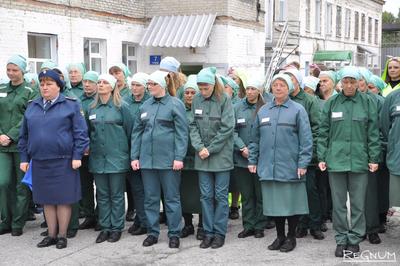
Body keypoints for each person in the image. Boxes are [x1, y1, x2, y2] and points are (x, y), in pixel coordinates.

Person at [18, 69, 89, 249]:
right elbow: (24, 136)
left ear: (59, 86)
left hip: (64, 160)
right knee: (46, 199)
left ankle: (62, 236)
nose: (44, 87)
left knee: (63, 199)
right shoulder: (32, 106)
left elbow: (81, 134)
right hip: (40, 160)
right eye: (42, 84)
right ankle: (51, 235)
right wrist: (24, 158)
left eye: (49, 84)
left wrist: (77, 155)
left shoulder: (70, 105)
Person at [318, 66, 381, 257]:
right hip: (335, 160)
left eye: (353, 81)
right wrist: (321, 156)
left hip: (359, 159)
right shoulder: (332, 103)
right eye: (345, 81)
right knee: (338, 204)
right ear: (340, 82)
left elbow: (373, 132)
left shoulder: (368, 102)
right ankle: (341, 239)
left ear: (358, 82)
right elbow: (323, 132)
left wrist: (374, 157)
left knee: (357, 203)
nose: (349, 85)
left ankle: (354, 240)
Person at [249, 73, 312, 253]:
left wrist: (303, 163)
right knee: (274, 204)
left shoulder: (298, 110)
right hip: (269, 166)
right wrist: (253, 160)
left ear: (289, 88)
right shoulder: (263, 111)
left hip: (290, 166)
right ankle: (280, 236)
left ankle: (291, 237)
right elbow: (254, 139)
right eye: (275, 85)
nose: (278, 88)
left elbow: (306, 139)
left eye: (282, 85)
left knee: (291, 203)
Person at [131, 70, 188, 249]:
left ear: (161, 85)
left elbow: (182, 133)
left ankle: (174, 233)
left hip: (169, 161)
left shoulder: (175, 104)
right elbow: (137, 132)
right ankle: (152, 232)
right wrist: (135, 156)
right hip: (147, 161)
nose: (149, 87)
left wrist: (179, 157)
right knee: (150, 198)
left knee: (172, 198)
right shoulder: (144, 106)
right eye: (148, 84)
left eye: (152, 84)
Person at [189, 67, 235, 249]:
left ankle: (219, 233)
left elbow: (227, 128)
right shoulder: (197, 100)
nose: (202, 90)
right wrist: (200, 147)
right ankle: (207, 232)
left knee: (221, 196)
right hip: (202, 157)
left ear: (213, 85)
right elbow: (192, 125)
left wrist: (211, 148)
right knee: (206, 196)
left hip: (221, 157)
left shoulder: (224, 99)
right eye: (200, 87)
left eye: (205, 87)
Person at [88, 74, 133, 244]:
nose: (100, 85)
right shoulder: (93, 108)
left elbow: (130, 131)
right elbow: (89, 132)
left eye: (105, 82)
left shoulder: (122, 107)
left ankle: (116, 227)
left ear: (113, 86)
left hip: (117, 158)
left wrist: (127, 154)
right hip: (98, 158)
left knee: (117, 194)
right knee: (102, 194)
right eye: (99, 82)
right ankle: (105, 226)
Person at [283, 68, 324, 240]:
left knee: (310, 190)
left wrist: (309, 154)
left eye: (291, 78)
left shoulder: (309, 100)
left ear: (298, 81)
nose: (289, 81)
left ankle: (315, 224)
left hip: (307, 155)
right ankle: (300, 223)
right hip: (288, 156)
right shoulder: (283, 100)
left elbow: (316, 128)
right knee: (295, 191)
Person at [0, 55, 38, 236]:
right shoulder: (1, 88)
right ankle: (5, 220)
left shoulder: (31, 91)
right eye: (8, 69)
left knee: (21, 186)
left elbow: (29, 116)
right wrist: (1, 135)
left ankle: (17, 223)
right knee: (3, 183)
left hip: (21, 144)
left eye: (15, 70)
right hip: (2, 145)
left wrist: (11, 135)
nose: (11, 73)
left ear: (23, 71)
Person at [233, 78, 267, 239]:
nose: (250, 91)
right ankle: (248, 225)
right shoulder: (236, 107)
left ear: (259, 90)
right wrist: (241, 147)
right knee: (246, 195)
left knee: (260, 194)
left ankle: (260, 225)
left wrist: (257, 151)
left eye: (253, 88)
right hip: (241, 159)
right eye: (248, 88)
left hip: (261, 158)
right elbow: (231, 131)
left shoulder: (265, 107)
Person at [123, 73, 150, 236]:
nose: (134, 88)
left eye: (138, 85)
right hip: (130, 151)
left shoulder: (149, 102)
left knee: (145, 190)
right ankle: (140, 219)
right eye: (132, 85)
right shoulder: (126, 101)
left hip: (145, 151)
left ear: (145, 86)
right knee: (136, 190)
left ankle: (145, 221)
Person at [179, 75, 204, 240]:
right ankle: (187, 224)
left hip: (199, 158)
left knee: (202, 193)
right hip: (182, 159)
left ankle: (202, 225)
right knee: (183, 193)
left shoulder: (202, 109)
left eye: (192, 92)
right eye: (186, 92)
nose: (189, 95)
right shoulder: (179, 109)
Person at [78, 71, 99, 231]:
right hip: (82, 150)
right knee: (85, 185)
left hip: (96, 150)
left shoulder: (100, 100)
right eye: (84, 81)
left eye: (90, 82)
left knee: (100, 185)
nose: (86, 84)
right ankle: (89, 214)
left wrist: (91, 145)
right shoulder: (78, 100)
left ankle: (100, 215)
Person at [227, 67, 248, 220]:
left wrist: (240, 145)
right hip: (224, 148)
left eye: (234, 79)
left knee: (236, 181)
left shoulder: (240, 103)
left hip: (237, 148)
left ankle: (235, 205)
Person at [380, 80, 400, 219]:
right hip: (397, 159)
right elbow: (384, 125)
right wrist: (394, 144)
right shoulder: (393, 97)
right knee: (396, 206)